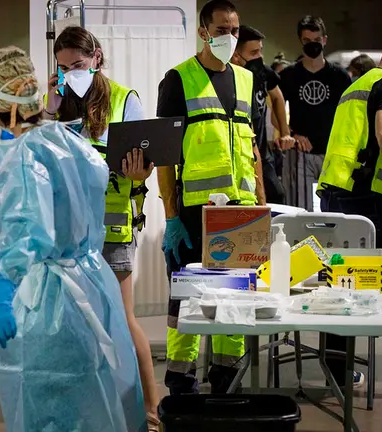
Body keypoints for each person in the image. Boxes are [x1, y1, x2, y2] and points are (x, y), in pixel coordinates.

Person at [0, 45, 145, 432]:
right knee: (93, 400)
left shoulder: (24, 153)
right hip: (90, 282)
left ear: (1, 106)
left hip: (48, 300)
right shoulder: (70, 140)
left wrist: (2, 287)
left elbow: (26, 227)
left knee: (50, 407)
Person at [43, 25, 159, 429]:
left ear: (96, 59)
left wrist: (139, 171)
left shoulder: (126, 100)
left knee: (123, 320)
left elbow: (145, 167)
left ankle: (151, 410)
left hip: (112, 229)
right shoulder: (60, 105)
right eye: (63, 68)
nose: (71, 73)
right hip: (69, 233)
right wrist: (50, 108)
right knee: (74, 323)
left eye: (77, 64)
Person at [156, 0, 266, 395]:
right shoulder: (179, 79)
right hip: (193, 212)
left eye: (234, 29)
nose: (229, 37)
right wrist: (170, 215)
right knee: (187, 301)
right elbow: (165, 157)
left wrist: (260, 204)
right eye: (221, 29)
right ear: (203, 32)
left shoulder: (247, 78)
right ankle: (181, 381)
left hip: (240, 211)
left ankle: (226, 378)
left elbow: (252, 149)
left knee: (234, 300)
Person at [317, 36, 382, 397]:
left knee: (342, 284)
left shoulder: (357, 85)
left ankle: (338, 373)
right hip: (375, 201)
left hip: (338, 195)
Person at [279, 16, 351, 211]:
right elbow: (276, 112)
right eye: (307, 41)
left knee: (335, 210)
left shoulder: (339, 76)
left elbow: (350, 114)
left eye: (317, 40)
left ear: (324, 40)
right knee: (302, 210)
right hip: (301, 152)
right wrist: (292, 134)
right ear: (300, 41)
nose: (313, 45)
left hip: (332, 151)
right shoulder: (289, 75)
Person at [231, 24, 294, 204]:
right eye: (253, 53)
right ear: (236, 55)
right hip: (240, 156)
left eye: (260, 51)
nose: (259, 57)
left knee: (276, 196)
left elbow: (277, 98)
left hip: (263, 154)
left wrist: (285, 133)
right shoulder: (228, 79)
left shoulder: (263, 73)